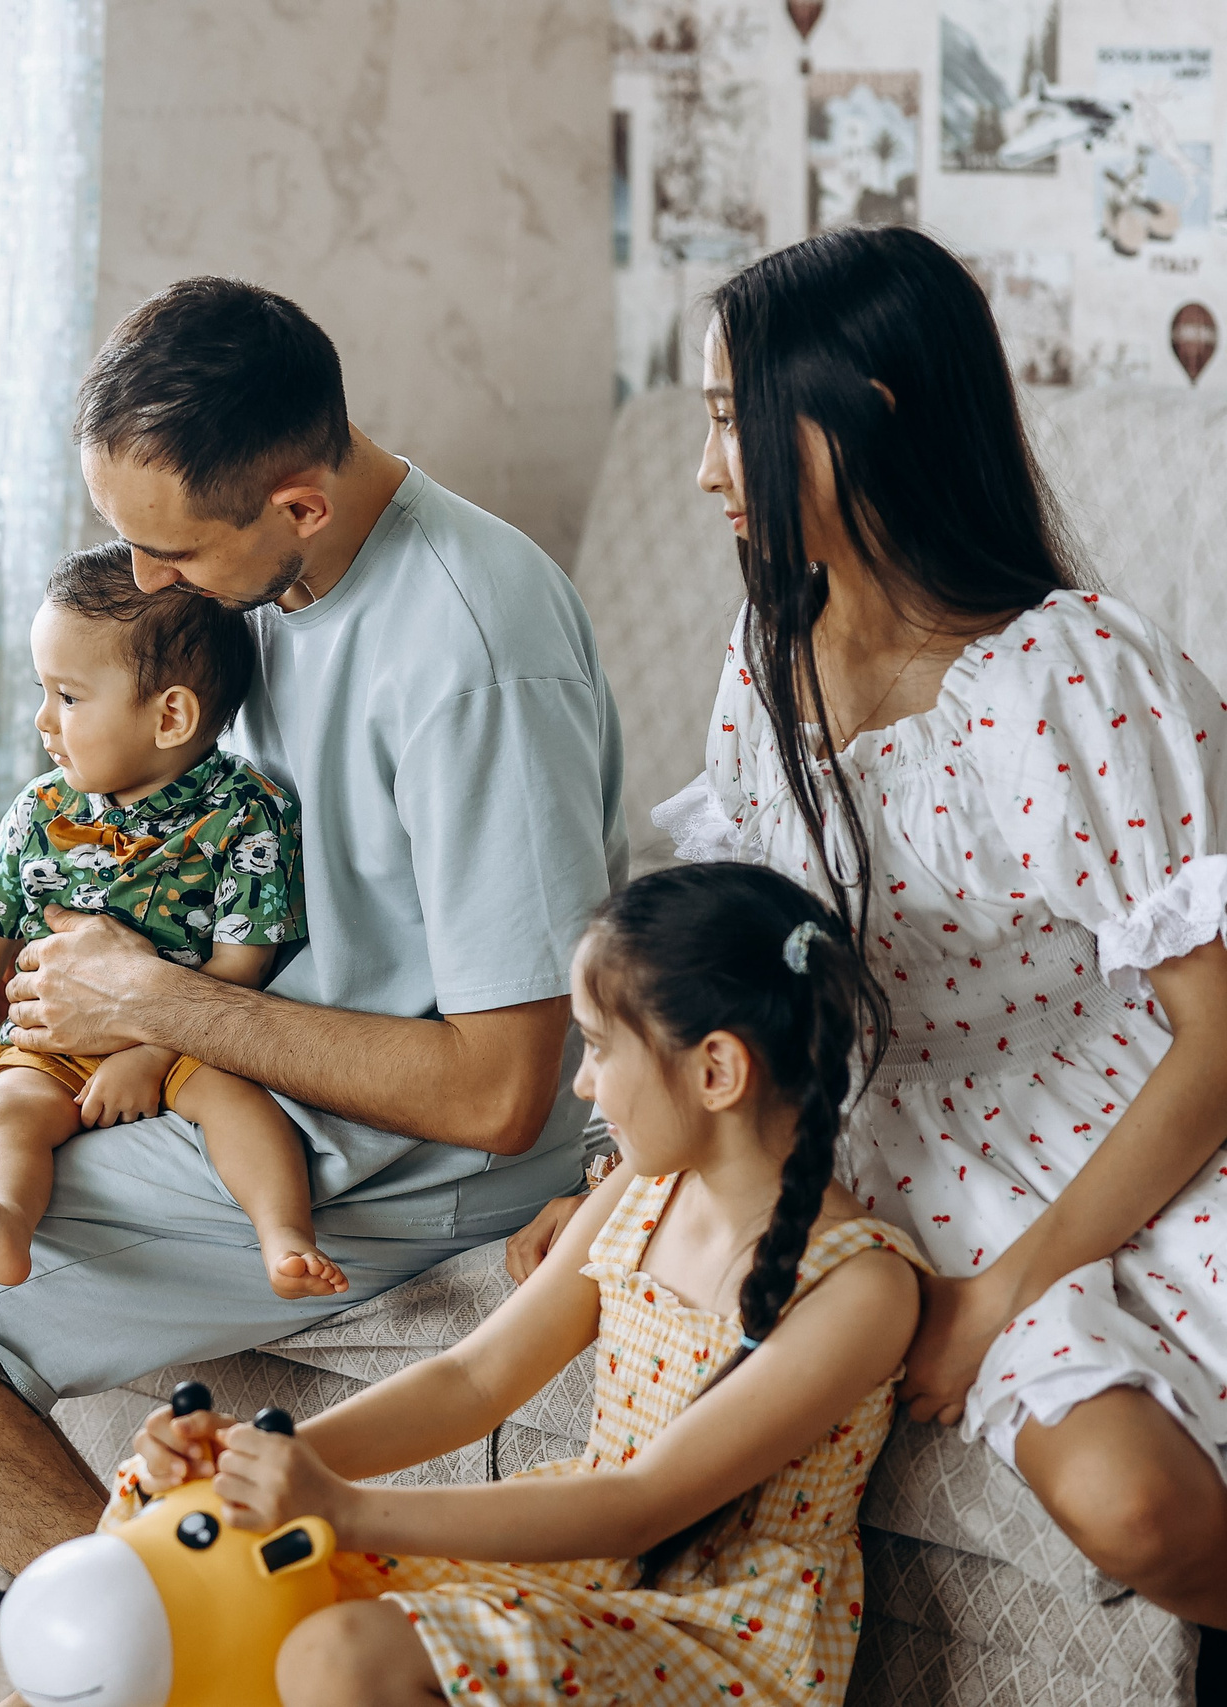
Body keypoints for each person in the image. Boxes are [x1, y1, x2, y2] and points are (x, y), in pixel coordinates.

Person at [0, 277, 629, 1577]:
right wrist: (37, 964)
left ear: (300, 500)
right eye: (125, 539)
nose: (146, 582)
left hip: (396, 1155)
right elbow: (198, 845)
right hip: (200, 1071)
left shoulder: (472, 651)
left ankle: (135, 1646)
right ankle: (154, 1610)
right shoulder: (254, 589)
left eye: (176, 554)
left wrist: (150, 1002)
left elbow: (502, 1093)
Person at [508, 225, 1227, 1625]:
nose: (709, 468)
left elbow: (1214, 1034)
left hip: (1145, 1111)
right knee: (1128, 1493)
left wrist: (1007, 1290)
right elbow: (729, 980)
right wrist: (627, 1180)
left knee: (1152, 1498)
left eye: (733, 420)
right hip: (894, 1142)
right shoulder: (766, 657)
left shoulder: (1071, 671)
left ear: (869, 413)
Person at [120, 863, 924, 1707]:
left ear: (716, 1069)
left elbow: (637, 1503)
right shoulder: (640, 1189)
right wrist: (259, 1460)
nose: (581, 1083)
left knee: (339, 1651)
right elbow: (474, 1378)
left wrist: (341, 1507)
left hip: (711, 1636)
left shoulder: (860, 1287)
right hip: (585, 1576)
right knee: (191, 1548)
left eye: (602, 1048)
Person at [0, 540, 342, 1299]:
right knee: (9, 1110)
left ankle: (285, 1240)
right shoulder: (41, 809)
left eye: (68, 696)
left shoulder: (248, 814)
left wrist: (149, 1056)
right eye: (43, 690)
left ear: (171, 716)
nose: (42, 720)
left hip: (191, 1041)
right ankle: (2, 1221)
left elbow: (238, 971)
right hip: (54, 1032)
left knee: (243, 1108)